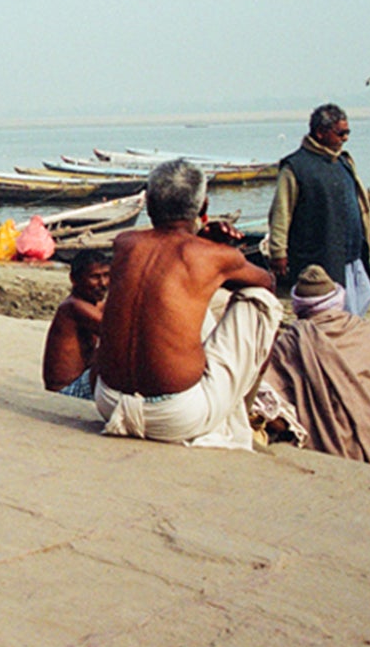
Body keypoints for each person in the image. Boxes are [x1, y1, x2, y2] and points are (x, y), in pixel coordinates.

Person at [91, 159, 281, 448]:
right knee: (261, 301)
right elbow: (267, 283)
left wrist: (206, 249)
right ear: (203, 207)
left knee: (181, 291)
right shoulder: (212, 255)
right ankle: (242, 415)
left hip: (108, 402)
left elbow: (171, 260)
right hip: (176, 416)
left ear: (149, 204)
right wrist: (219, 249)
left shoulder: (124, 243)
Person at [264, 264, 370, 469]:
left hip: (333, 445)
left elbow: (271, 400)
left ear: (298, 306)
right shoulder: (367, 330)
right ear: (339, 300)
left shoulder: (291, 343)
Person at [266, 103, 370, 316]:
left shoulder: (343, 161)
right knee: (330, 310)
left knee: (362, 298)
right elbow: (281, 212)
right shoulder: (296, 167)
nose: (345, 138)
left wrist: (369, 235)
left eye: (347, 133)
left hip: (352, 253)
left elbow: (359, 202)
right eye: (340, 133)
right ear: (320, 133)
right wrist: (278, 252)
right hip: (320, 253)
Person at [42, 249, 110, 396]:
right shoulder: (73, 306)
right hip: (68, 389)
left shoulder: (97, 305)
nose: (103, 283)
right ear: (74, 279)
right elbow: (116, 333)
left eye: (106, 276)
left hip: (82, 379)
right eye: (95, 277)